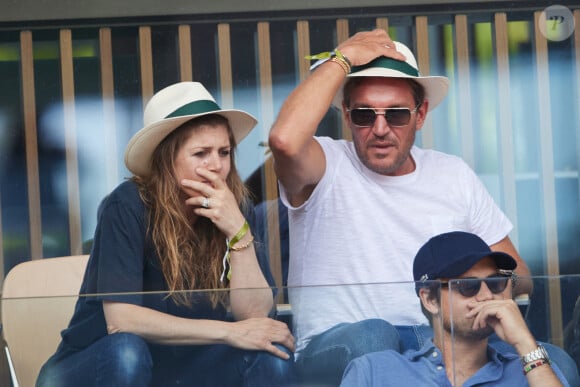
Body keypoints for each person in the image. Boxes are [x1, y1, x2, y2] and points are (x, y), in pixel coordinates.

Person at [268, 28, 578, 386]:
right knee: (374, 340)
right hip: (346, 344)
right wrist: (345, 56)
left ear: (421, 114)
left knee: (556, 362)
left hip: (446, 335)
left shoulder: (451, 173)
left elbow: (519, 276)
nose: (380, 128)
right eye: (365, 115)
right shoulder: (327, 163)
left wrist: (475, 293)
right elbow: (285, 141)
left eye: (397, 114)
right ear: (346, 113)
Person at [36, 82, 296, 387]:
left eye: (224, 152)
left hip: (179, 370)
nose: (216, 166)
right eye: (201, 153)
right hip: (92, 367)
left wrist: (238, 232)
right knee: (127, 352)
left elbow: (255, 318)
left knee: (269, 352)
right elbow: (122, 321)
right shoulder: (128, 204)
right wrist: (229, 332)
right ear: (166, 159)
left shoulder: (234, 206)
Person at [341, 231, 569, 386]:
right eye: (467, 286)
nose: (487, 295)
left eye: (494, 282)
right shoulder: (374, 371)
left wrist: (524, 342)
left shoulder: (532, 368)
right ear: (430, 299)